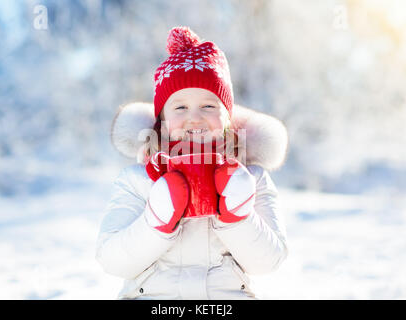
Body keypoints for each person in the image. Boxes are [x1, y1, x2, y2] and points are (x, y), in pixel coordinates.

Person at [96, 26, 289, 300]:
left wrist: (239, 217)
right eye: (180, 108)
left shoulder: (252, 178)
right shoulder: (137, 180)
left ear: (227, 118)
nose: (195, 118)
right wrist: (156, 222)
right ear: (161, 121)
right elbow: (111, 260)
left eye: (209, 106)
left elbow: (270, 261)